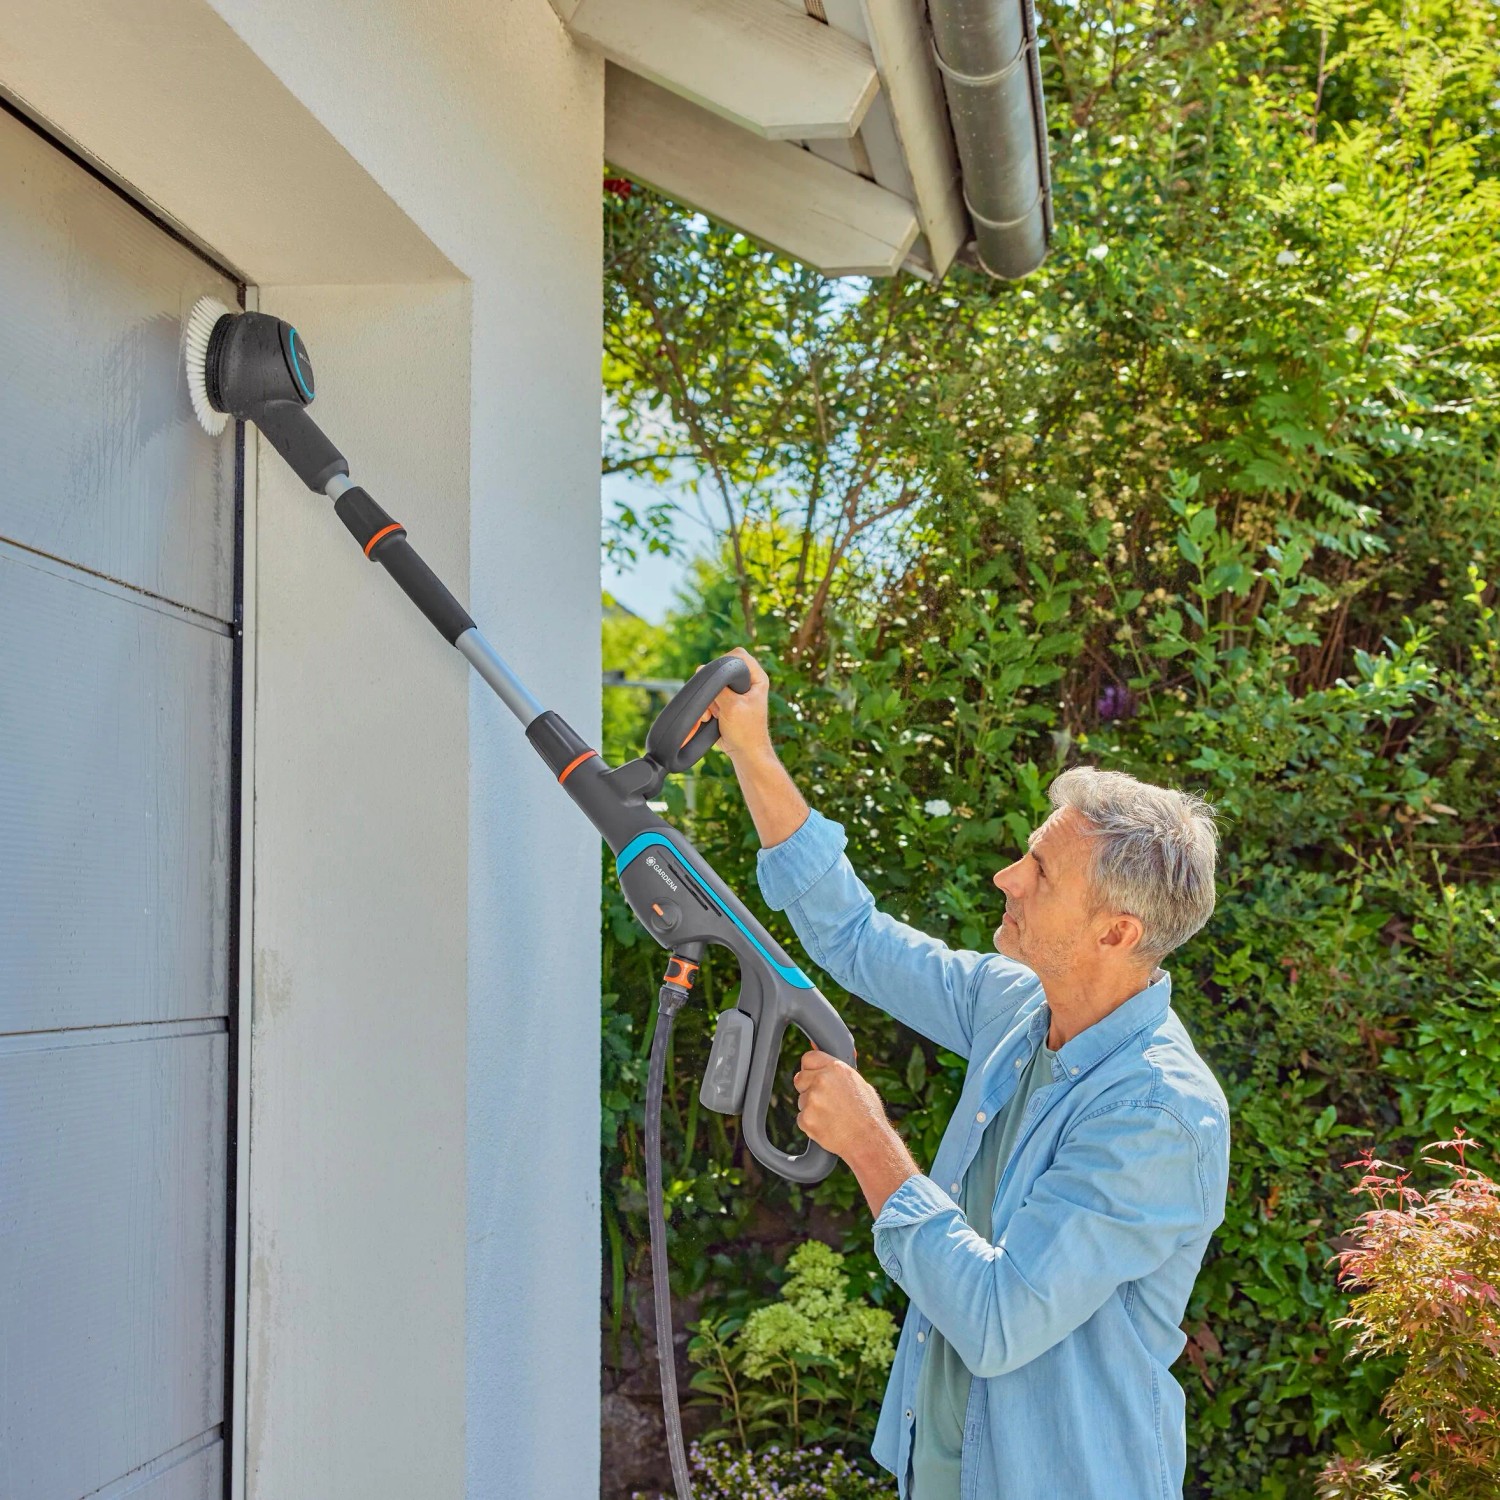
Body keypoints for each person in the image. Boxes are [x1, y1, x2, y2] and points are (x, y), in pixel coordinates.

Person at [703, 645, 1231, 1500]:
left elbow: (996, 1319)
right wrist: (753, 753)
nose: (1007, 877)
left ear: (1117, 932)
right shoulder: (1016, 1005)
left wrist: (870, 1145)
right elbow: (856, 939)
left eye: (1042, 873)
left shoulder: (1158, 1116)